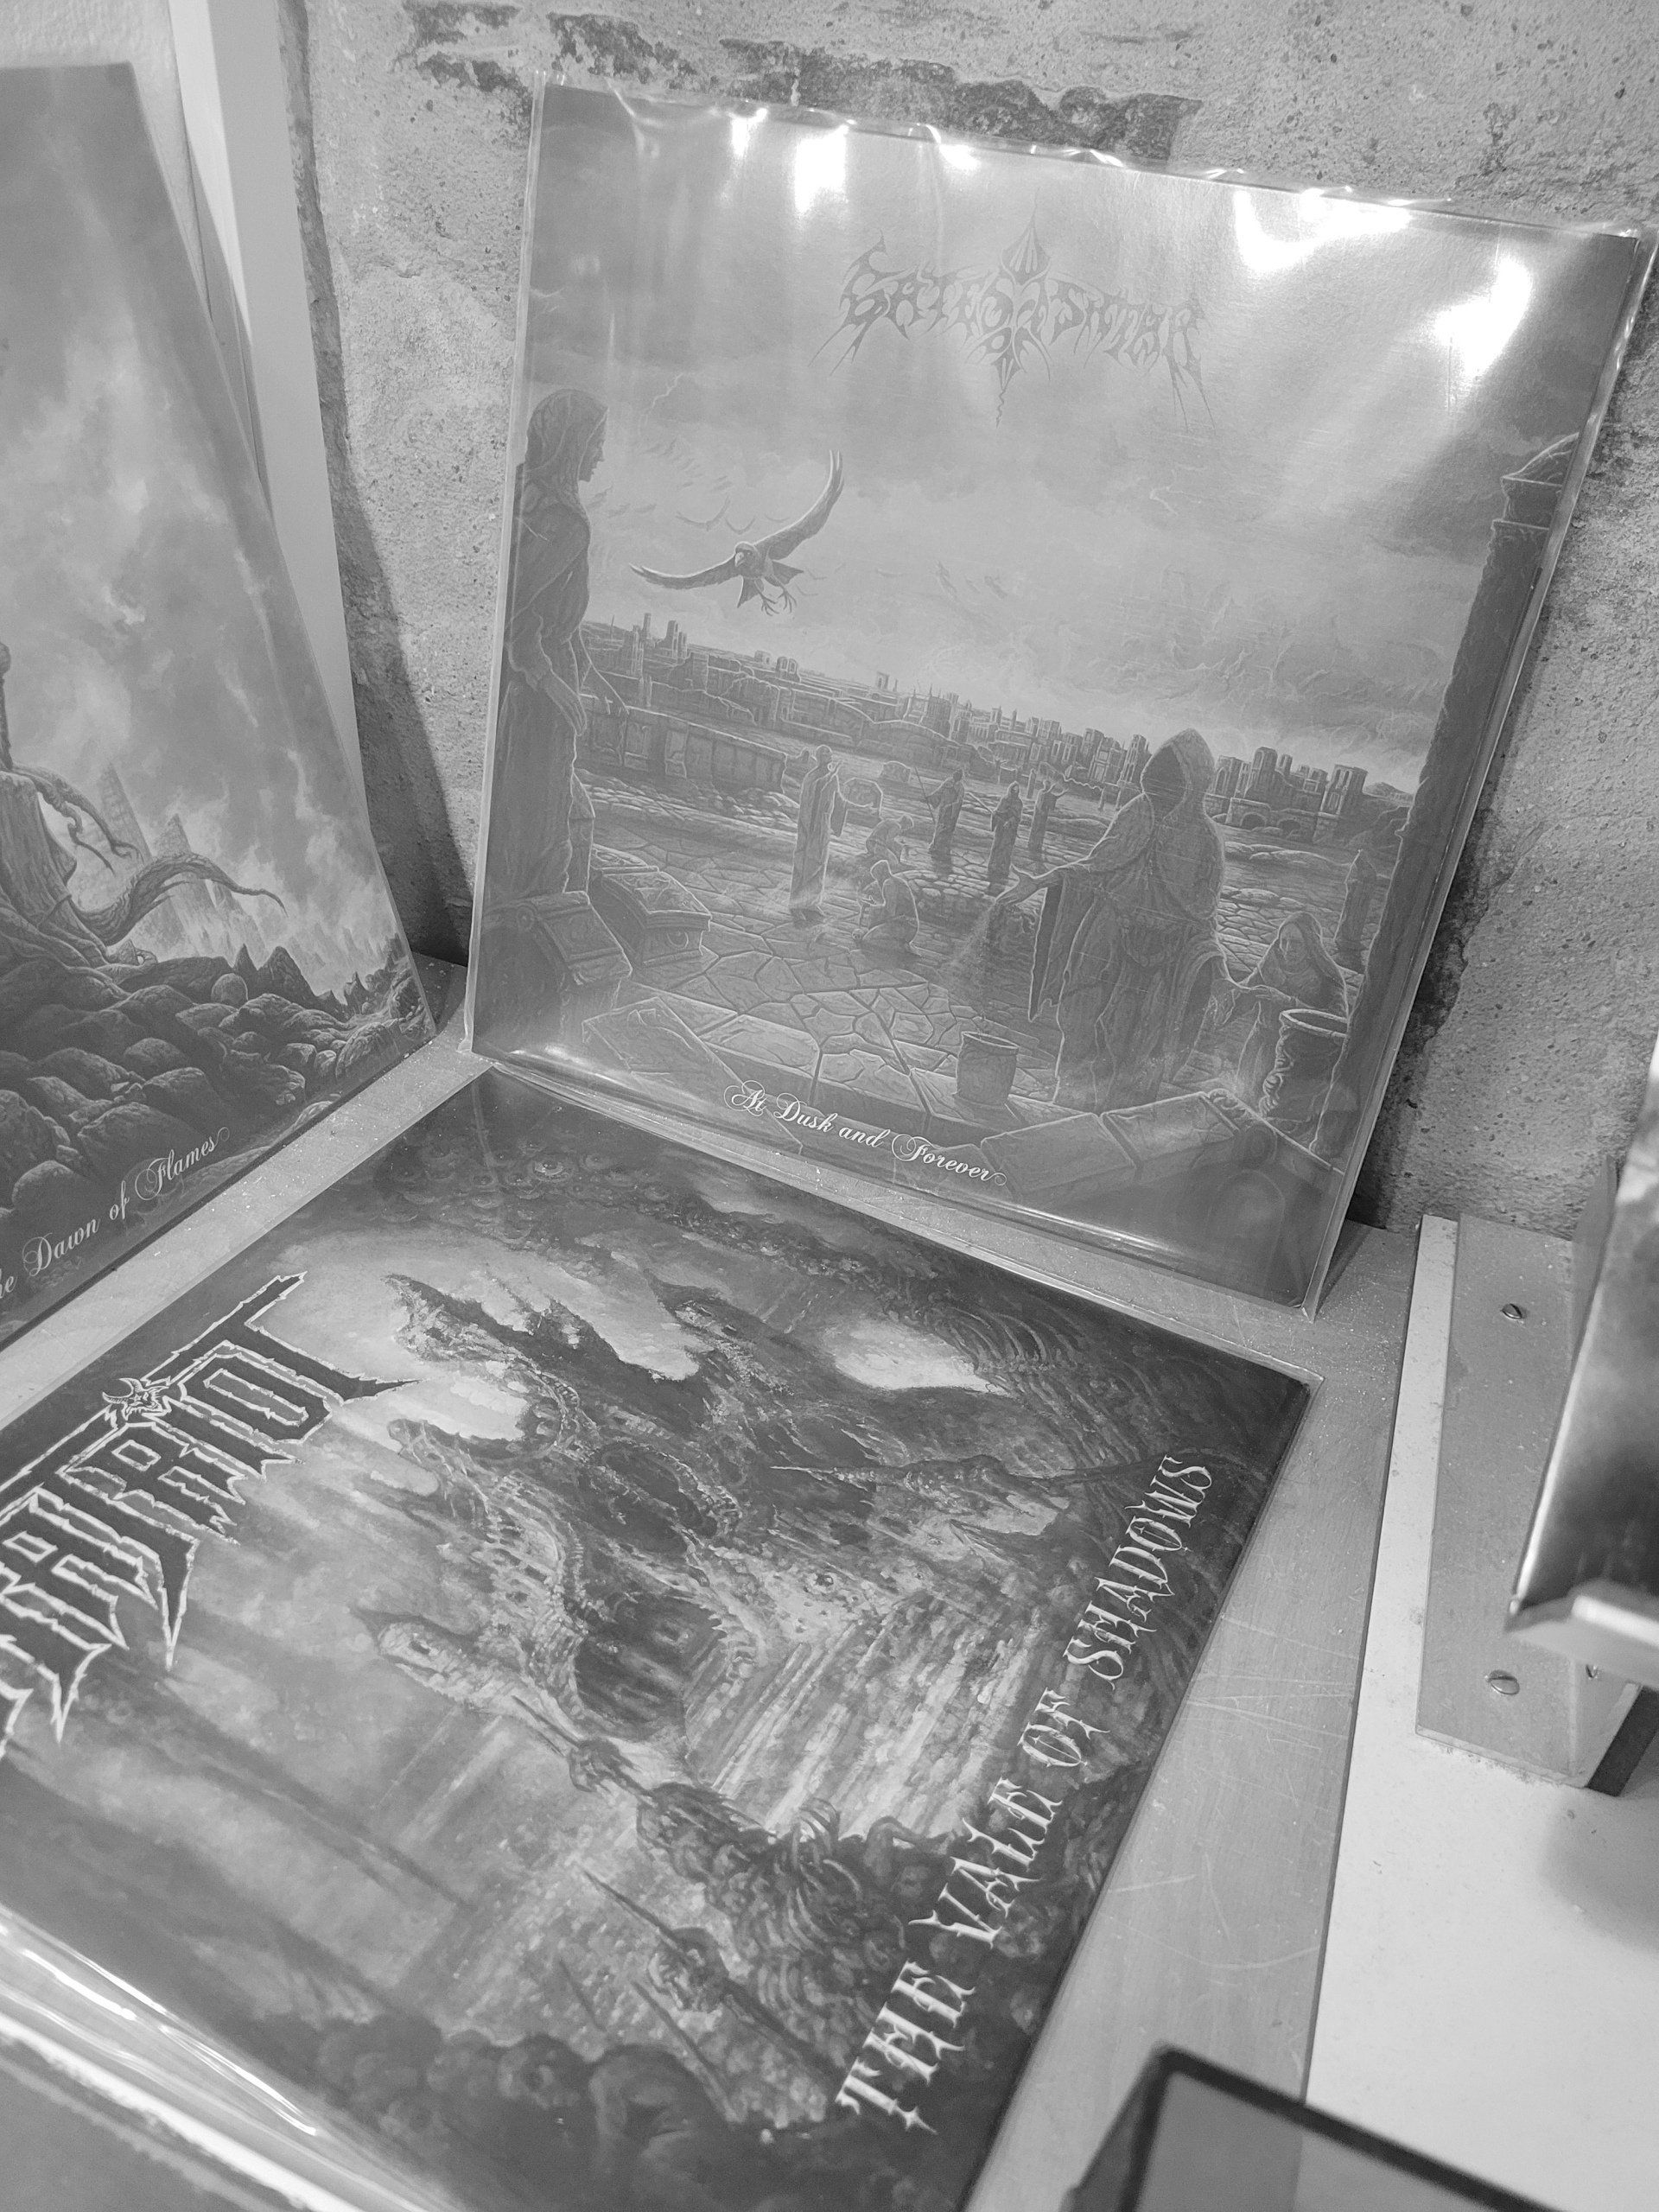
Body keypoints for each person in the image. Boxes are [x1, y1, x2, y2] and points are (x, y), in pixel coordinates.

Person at [998, 728, 1230, 1111]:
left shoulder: (1205, 838)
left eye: (1176, 780)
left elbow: (1204, 917)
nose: (1164, 791)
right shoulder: (1136, 812)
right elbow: (1095, 866)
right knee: (1080, 1022)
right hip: (1104, 939)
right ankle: (1065, 1107)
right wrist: (1040, 882)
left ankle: (1117, 1120)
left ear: (1194, 784)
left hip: (1159, 961)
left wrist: (1219, 975)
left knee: (1136, 1044)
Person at [484, 388, 608, 900]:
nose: (600, 454)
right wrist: (552, 681)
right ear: (573, 444)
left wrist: (594, 680)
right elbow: (520, 611)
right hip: (539, 694)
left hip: (515, 683)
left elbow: (544, 607)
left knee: (509, 806)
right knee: (539, 822)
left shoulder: (523, 490)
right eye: (596, 442)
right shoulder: (566, 522)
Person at [1230, 908, 1349, 1108]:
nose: (1288, 948)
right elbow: (1244, 994)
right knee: (1243, 1100)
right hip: (1258, 1044)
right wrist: (1229, 991)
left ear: (1310, 945)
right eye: (1283, 941)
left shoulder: (1326, 978)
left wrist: (1288, 1002)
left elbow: (1337, 1019)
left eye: (1296, 943)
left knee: (1271, 1105)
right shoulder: (1270, 965)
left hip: (1295, 1056)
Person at [790, 744, 845, 918]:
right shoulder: (812, 776)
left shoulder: (833, 778)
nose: (828, 756)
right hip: (808, 827)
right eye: (825, 754)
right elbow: (811, 795)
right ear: (819, 757)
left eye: (830, 754)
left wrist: (841, 818)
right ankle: (796, 905)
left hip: (822, 827)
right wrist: (829, 776)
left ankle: (811, 903)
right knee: (803, 865)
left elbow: (838, 799)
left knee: (819, 865)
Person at [853, 860, 918, 956]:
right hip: (908, 925)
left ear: (881, 874)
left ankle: (901, 947)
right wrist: (874, 905)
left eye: (877, 877)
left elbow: (890, 912)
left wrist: (871, 907)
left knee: (868, 940)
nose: (877, 881)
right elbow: (893, 906)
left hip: (904, 927)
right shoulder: (897, 881)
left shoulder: (888, 884)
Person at [926, 767, 966, 875]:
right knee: (939, 827)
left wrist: (951, 807)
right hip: (943, 810)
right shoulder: (948, 782)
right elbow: (939, 792)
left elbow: (959, 801)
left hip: (951, 813)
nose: (955, 775)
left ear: (960, 777)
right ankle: (935, 847)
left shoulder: (961, 788)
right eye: (955, 773)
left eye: (958, 774)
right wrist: (931, 798)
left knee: (947, 830)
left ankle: (943, 849)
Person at [987, 780, 1023, 893]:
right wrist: (995, 814)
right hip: (1001, 829)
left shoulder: (1019, 803)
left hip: (1010, 831)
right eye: (1013, 790)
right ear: (1010, 790)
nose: (1014, 792)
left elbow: (1018, 818)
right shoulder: (1004, 799)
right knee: (997, 846)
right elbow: (998, 811)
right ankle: (993, 866)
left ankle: (1003, 869)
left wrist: (1010, 822)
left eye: (1016, 791)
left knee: (1006, 848)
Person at [1027, 780, 1058, 866]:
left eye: (1048, 785)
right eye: (1046, 785)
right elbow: (1043, 796)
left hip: (1044, 815)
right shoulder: (1041, 792)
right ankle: (1032, 844)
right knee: (1035, 829)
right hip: (1038, 814)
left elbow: (1055, 798)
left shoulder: (1049, 794)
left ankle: (1038, 845)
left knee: (1041, 830)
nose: (1047, 786)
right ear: (1044, 785)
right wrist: (1051, 789)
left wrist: (1063, 793)